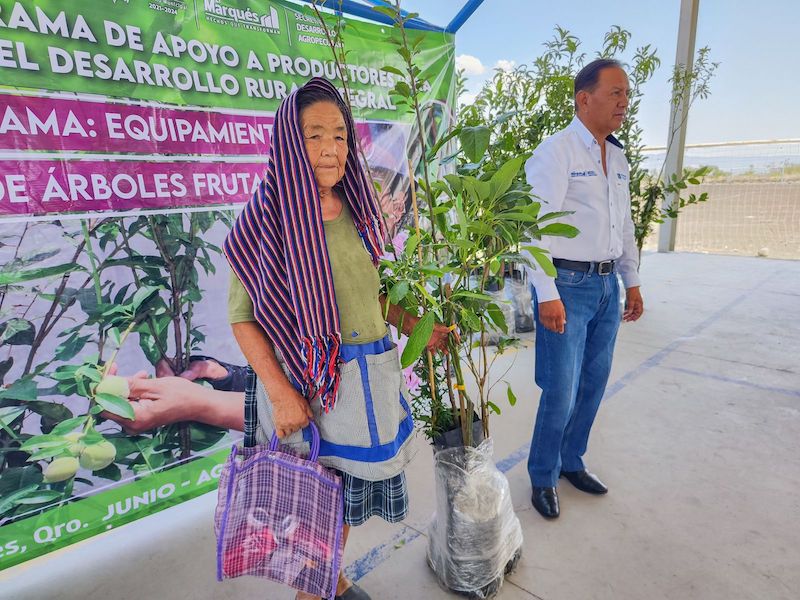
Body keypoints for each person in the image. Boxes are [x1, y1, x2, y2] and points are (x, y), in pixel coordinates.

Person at [224, 77, 450, 600]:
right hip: (304, 381)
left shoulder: (357, 207)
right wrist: (281, 395)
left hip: (363, 379)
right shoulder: (265, 219)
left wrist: (414, 324)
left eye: (341, 136)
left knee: (343, 496)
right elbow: (243, 317)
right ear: (287, 141)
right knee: (313, 503)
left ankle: (329, 578)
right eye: (314, 135)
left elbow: (365, 294)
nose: (331, 149)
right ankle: (312, 592)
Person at [523, 59, 644, 520]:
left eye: (626, 94)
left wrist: (630, 281)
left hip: (606, 284)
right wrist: (546, 292)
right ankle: (541, 474)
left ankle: (572, 462)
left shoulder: (617, 156)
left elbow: (625, 223)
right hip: (567, 285)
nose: (624, 102)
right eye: (615, 93)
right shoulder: (556, 152)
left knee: (593, 383)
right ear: (584, 99)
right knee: (561, 389)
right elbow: (534, 228)